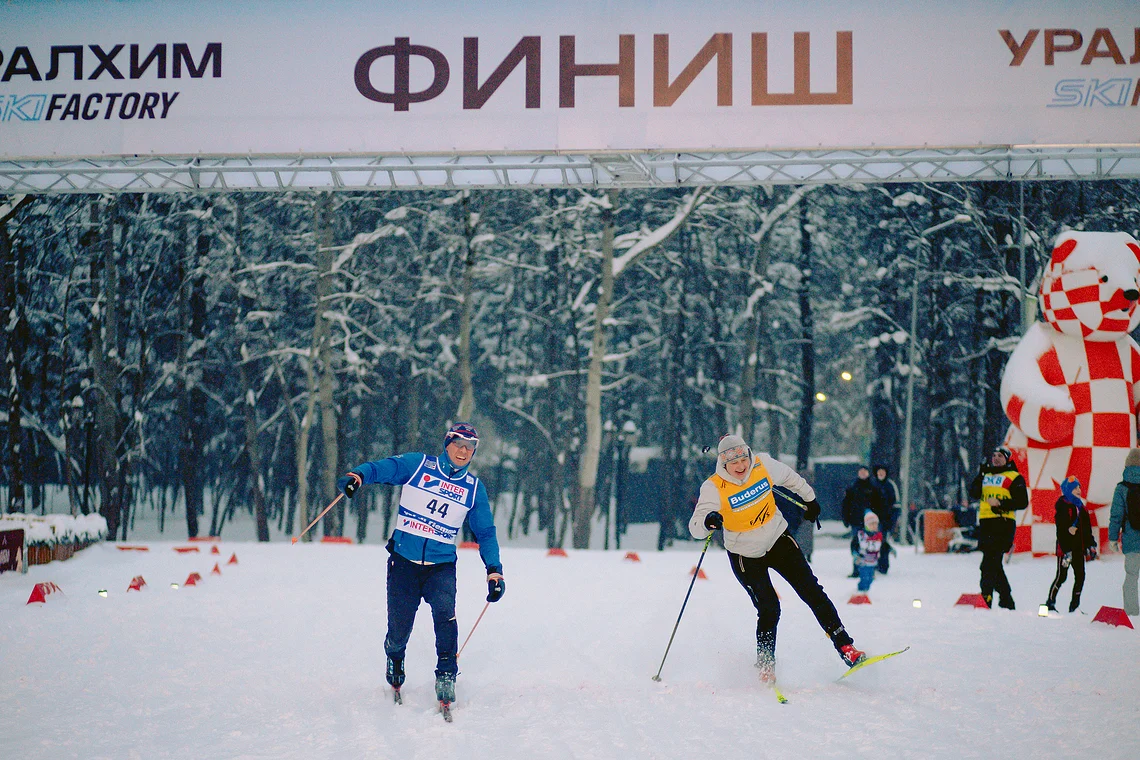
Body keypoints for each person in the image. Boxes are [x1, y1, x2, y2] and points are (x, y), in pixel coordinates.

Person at [336, 422, 505, 707]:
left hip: (441, 566)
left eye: (469, 448)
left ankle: (447, 674)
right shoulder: (419, 466)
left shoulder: (474, 489)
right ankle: (395, 655)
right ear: (447, 444)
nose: (463, 452)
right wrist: (358, 476)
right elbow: (382, 469)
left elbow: (485, 532)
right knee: (400, 629)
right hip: (404, 562)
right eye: (458, 445)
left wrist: (494, 569)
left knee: (445, 614)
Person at [689, 435, 867, 685]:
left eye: (743, 458)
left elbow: (793, 479)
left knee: (812, 592)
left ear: (749, 455)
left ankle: (846, 647)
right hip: (745, 554)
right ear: (723, 464)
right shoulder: (713, 487)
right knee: (770, 607)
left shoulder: (763, 465)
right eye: (733, 462)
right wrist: (709, 521)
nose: (740, 466)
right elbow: (695, 527)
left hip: (777, 538)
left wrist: (811, 500)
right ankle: (765, 665)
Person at [967, 445, 1027, 610]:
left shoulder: (1014, 476)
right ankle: (1006, 598)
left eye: (1000, 456)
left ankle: (986, 598)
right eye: (994, 455)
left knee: (988, 563)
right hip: (986, 523)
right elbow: (973, 493)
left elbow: (1022, 502)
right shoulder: (986, 475)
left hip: (1003, 523)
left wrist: (1001, 504)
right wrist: (980, 474)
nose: (996, 458)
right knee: (992, 563)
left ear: (1007, 458)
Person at [1045, 476, 1096, 613]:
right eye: (1075, 488)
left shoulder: (1082, 508)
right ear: (1067, 490)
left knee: (1080, 576)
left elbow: (1087, 530)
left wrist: (1091, 545)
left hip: (1079, 549)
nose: (1079, 490)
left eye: (1079, 487)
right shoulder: (1063, 507)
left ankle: (1074, 607)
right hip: (1066, 550)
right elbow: (1060, 531)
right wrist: (1067, 550)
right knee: (1061, 577)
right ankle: (1049, 604)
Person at [1108, 447, 1140, 616]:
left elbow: (1116, 515)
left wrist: (1113, 538)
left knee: (1132, 576)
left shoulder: (1121, 488)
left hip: (1131, 538)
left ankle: (1132, 611)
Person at [842, 466, 883, 577]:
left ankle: (870, 569)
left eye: (865, 471)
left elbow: (879, 504)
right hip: (856, 521)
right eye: (861, 471)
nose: (863, 473)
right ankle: (857, 569)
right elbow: (846, 504)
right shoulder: (852, 487)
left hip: (870, 522)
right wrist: (846, 519)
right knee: (857, 545)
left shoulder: (874, 487)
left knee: (870, 545)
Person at [872, 465, 899, 572]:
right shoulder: (872, 485)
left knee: (882, 542)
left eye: (883, 472)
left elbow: (896, 505)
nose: (881, 474)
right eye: (879, 472)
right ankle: (873, 564)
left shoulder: (890, 485)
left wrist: (892, 521)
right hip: (873, 520)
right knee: (873, 543)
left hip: (885, 520)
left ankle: (884, 565)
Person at [853, 511, 884, 594]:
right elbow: (854, 545)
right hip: (862, 561)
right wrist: (855, 554)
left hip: (873, 562)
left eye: (875, 524)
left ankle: (865, 591)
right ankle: (861, 591)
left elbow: (884, 545)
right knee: (864, 577)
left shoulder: (879, 536)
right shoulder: (861, 535)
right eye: (871, 524)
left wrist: (890, 549)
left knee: (870, 578)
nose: (874, 526)